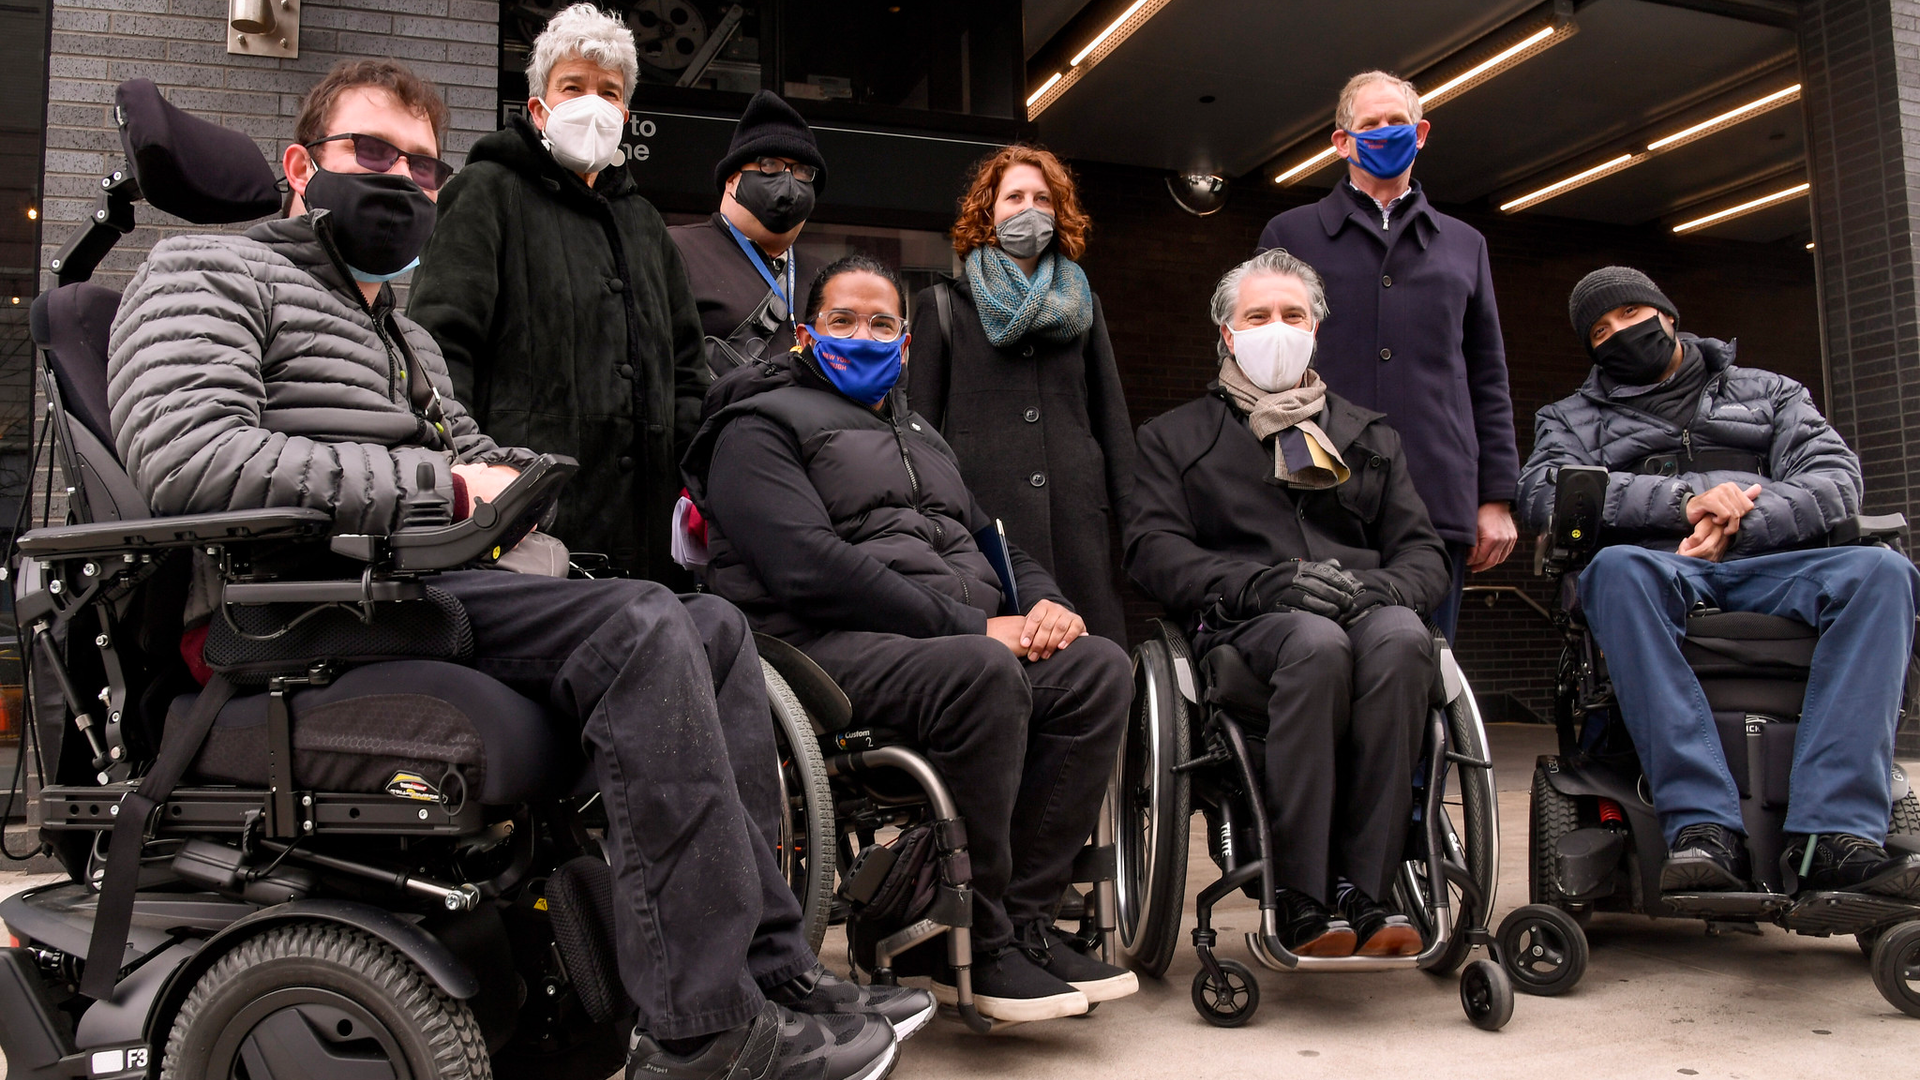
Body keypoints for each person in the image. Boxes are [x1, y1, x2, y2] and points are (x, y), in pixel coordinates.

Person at [105, 58, 927, 1080]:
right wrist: (443, 492)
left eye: (420, 163)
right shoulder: (203, 275)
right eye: (370, 151)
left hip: (405, 588)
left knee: (706, 625)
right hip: (284, 606)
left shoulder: (398, 331)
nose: (399, 178)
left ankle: (766, 970)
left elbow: (464, 450)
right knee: (639, 630)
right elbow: (193, 462)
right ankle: (698, 1032)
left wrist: (514, 482)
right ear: (300, 167)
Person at [683, 255, 1138, 1023]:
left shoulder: (920, 434)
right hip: (821, 650)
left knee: (1097, 669)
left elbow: (992, 541)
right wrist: (976, 628)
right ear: (805, 333)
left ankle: (1024, 926)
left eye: (882, 324)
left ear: (906, 343)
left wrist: (1049, 604)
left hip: (947, 644)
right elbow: (806, 567)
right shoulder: (752, 428)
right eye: (843, 321)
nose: (864, 336)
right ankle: (975, 937)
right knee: (982, 671)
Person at [1517, 266, 1920, 900]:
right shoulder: (1570, 417)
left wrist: (1741, 522)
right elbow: (1545, 493)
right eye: (1599, 330)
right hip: (1660, 565)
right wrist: (1688, 502)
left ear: (1666, 316)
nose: (1618, 332)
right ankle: (1703, 824)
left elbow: (1835, 477)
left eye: (1629, 315)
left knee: (1884, 572)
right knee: (1613, 572)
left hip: (1772, 563)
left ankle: (1833, 834)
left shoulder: (1772, 392)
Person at [1124, 249, 1450, 956]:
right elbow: (1152, 550)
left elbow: (1424, 553)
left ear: (1316, 330)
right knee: (1315, 645)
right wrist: (1258, 583)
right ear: (1227, 333)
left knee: (1402, 641)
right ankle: (1301, 892)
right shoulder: (1174, 439)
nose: (1278, 327)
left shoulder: (1369, 435)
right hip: (1249, 620)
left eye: (1293, 315)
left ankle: (1367, 889)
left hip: (1364, 608)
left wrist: (1378, 587)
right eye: (1259, 315)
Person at [410, 3, 705, 583]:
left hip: (646, 538)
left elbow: (687, 367)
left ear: (626, 112)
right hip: (522, 524)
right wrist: (469, 482)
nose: (593, 103)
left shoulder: (644, 223)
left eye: (609, 91)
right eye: (573, 86)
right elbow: (439, 350)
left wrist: (690, 477)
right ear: (539, 108)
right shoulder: (487, 193)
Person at [1257, 70, 1518, 641]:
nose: (1384, 132)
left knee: (1426, 667)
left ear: (1421, 133)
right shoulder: (1290, 235)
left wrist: (1495, 498)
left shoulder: (1465, 245)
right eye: (1368, 124)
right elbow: (1259, 367)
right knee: (1324, 658)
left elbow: (1488, 377)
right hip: (1318, 485)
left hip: (1436, 490)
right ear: (1341, 142)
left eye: (1396, 122)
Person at [907, 146, 1134, 643]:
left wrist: (1136, 529)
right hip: (987, 526)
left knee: (1096, 666)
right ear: (989, 212)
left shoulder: (1084, 305)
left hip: (1079, 526)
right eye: (1014, 197)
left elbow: (1112, 423)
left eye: (1043, 198)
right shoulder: (942, 306)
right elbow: (917, 432)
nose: (1029, 209)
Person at [668, 90, 825, 372]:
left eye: (803, 171)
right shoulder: (674, 250)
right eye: (770, 165)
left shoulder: (826, 277)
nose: (788, 181)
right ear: (731, 179)